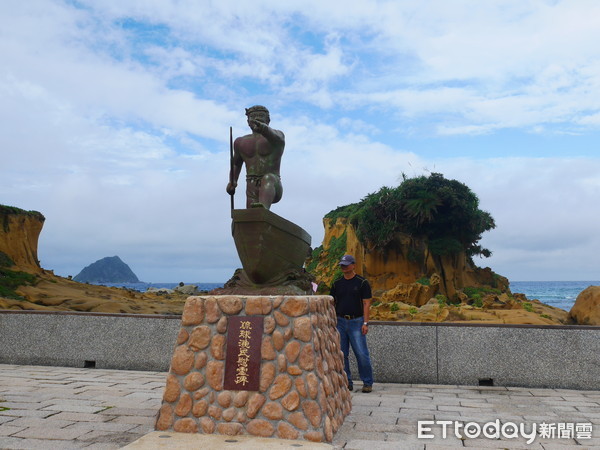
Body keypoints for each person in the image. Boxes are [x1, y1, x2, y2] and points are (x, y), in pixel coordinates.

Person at [330, 254, 374, 393]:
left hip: (357, 321)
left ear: (353, 265)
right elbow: (332, 303)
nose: (344, 267)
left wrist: (365, 322)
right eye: (342, 264)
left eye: (346, 264)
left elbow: (366, 303)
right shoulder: (337, 284)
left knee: (361, 353)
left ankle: (367, 382)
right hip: (340, 321)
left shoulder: (362, 283)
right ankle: (346, 381)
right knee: (342, 354)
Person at [226, 105, 284, 210]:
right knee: (251, 217)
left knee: (268, 178)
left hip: (272, 184)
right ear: (248, 121)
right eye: (253, 116)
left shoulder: (277, 138)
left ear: (268, 120)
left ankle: (263, 208)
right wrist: (233, 181)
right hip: (251, 184)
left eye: (261, 115)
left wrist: (263, 129)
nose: (257, 118)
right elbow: (236, 164)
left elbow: (277, 137)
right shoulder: (240, 142)